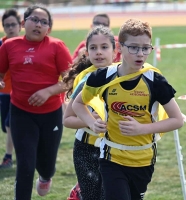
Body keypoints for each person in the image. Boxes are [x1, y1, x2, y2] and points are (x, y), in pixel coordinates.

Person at [72, 18, 184, 200]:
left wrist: (142, 129)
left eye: (145, 48)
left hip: (143, 159)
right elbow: (77, 104)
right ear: (120, 48)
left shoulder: (155, 81)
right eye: (133, 47)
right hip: (111, 157)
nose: (140, 53)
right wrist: (92, 124)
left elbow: (177, 120)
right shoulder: (102, 77)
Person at [0, 4, 72, 199]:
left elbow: (70, 80)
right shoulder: (9, 46)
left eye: (44, 22)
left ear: (48, 28)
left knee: (46, 164)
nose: (38, 24)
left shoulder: (57, 46)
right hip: (21, 112)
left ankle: (46, 177)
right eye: (34, 20)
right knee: (25, 164)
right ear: (24, 23)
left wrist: (48, 91)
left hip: (51, 114)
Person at [63, 25, 116, 200]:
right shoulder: (85, 79)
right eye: (93, 48)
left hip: (116, 148)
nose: (99, 52)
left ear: (115, 51)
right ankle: (80, 192)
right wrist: (90, 121)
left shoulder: (124, 76)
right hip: (86, 150)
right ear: (87, 52)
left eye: (104, 47)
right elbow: (67, 119)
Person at [0, 8, 21, 169]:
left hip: (21, 93)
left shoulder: (26, 44)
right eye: (7, 25)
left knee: (10, 124)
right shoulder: (1, 44)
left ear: (20, 26)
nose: (11, 28)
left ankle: (9, 157)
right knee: (7, 128)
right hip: (4, 93)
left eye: (13, 24)